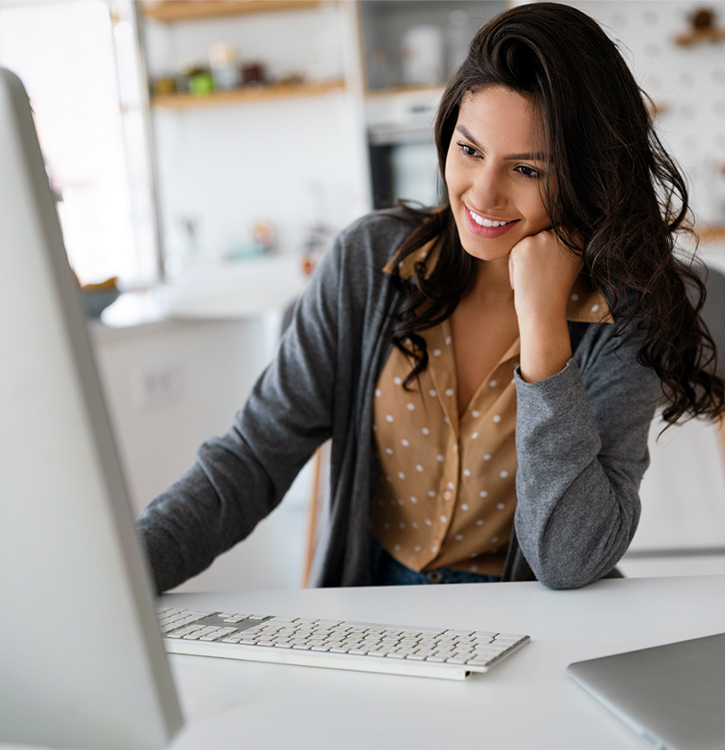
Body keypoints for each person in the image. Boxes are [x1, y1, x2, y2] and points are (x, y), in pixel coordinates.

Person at [137, 2, 724, 592]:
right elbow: (248, 462)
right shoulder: (369, 261)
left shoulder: (626, 315)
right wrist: (122, 573)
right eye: (470, 151)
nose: (483, 194)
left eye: (527, 170)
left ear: (585, 175)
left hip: (529, 625)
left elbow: (570, 558)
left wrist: (544, 326)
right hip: (374, 609)